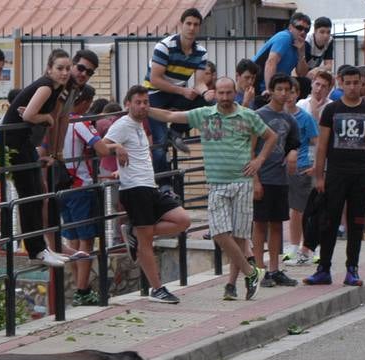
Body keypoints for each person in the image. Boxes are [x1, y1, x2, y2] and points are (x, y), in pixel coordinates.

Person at [150, 76, 278, 300]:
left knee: (238, 237)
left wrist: (259, 161)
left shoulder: (248, 116)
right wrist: (144, 109)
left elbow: (271, 136)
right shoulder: (204, 114)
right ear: (215, 93)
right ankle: (251, 272)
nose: (225, 97)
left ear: (234, 92)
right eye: (221, 93)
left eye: (229, 93)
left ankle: (231, 285)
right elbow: (171, 116)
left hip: (242, 182)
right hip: (217, 183)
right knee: (219, 232)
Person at [95, 85, 191, 304]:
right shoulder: (122, 124)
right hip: (135, 189)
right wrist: (117, 146)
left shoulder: (140, 124)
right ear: (128, 104)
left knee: (183, 220)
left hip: (150, 186)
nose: (142, 106)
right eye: (138, 102)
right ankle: (157, 289)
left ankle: (134, 232)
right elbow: (101, 147)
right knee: (146, 241)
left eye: (146, 102)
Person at [305, 65, 365, 288]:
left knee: (356, 223)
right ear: (340, 83)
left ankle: (352, 269)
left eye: (356, 83)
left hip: (361, 174)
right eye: (347, 83)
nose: (351, 87)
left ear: (362, 84)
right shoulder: (331, 110)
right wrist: (319, 176)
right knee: (328, 223)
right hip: (336, 175)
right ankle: (324, 269)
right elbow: (321, 146)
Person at [0, 50, 74, 266]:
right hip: (14, 143)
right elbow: (30, 115)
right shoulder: (46, 86)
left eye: (67, 68)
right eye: (60, 68)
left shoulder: (58, 89)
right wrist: (47, 118)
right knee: (29, 194)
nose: (64, 72)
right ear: (49, 68)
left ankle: (40, 247)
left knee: (36, 193)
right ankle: (36, 250)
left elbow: (28, 112)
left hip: (24, 142)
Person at [144, 8, 215, 176]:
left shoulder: (201, 52)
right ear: (181, 25)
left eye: (196, 24)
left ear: (199, 28)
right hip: (154, 94)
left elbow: (199, 83)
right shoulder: (164, 46)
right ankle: (164, 186)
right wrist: (182, 91)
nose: (191, 28)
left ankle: (175, 131)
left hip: (177, 93)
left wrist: (207, 94)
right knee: (160, 144)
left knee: (207, 102)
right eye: (188, 23)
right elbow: (155, 79)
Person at [253, 74, 302, 287]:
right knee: (259, 225)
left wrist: (292, 153)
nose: (283, 94)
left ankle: (274, 269)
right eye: (279, 89)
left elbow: (294, 144)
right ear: (271, 91)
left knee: (276, 225)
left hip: (280, 179)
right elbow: (249, 149)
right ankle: (258, 270)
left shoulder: (290, 120)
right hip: (262, 177)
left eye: (287, 90)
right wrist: (255, 180)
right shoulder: (258, 116)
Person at [59, 86, 103, 305]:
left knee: (73, 239)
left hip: (61, 187)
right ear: (84, 101)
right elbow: (101, 148)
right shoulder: (79, 122)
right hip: (81, 187)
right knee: (86, 240)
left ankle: (78, 287)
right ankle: (83, 291)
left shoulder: (58, 121)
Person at [285, 76, 321, 265]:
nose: (288, 95)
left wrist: (316, 166)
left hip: (301, 167)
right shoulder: (278, 115)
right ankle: (293, 247)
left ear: (297, 94)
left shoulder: (305, 118)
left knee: (302, 210)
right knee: (291, 210)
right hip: (281, 169)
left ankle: (310, 247)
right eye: (284, 91)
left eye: (291, 92)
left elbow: (317, 142)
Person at [253, 13, 312, 97]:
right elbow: (271, 62)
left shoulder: (300, 45)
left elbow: (301, 74)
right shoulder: (285, 37)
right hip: (258, 83)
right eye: (299, 28)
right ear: (290, 27)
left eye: (306, 30)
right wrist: (270, 90)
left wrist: (301, 53)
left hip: (280, 83)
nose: (303, 32)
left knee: (305, 83)